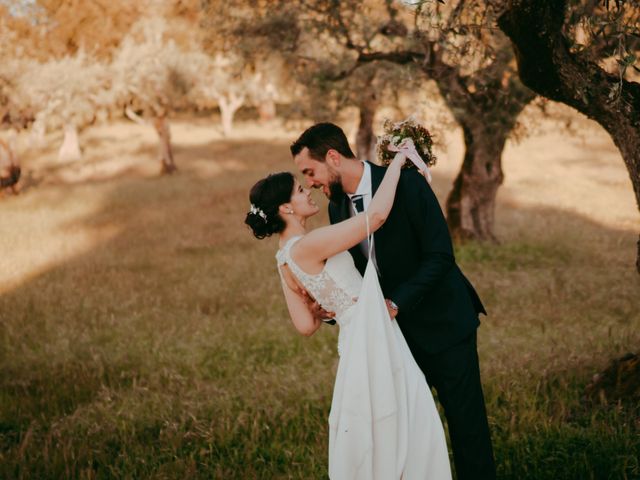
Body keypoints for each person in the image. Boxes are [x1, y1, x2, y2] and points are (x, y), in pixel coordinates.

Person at [290, 122, 496, 480]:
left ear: (334, 158)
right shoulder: (338, 207)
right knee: (406, 432)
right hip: (394, 339)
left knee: (468, 428)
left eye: (311, 171)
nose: (310, 183)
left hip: (445, 324)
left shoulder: (407, 183)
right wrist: (331, 312)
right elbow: (354, 278)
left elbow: (440, 256)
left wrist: (396, 303)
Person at [245, 145, 452, 479]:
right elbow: (378, 216)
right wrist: (398, 161)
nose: (308, 192)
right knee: (408, 420)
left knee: (378, 427)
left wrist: (323, 307)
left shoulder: (283, 259)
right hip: (374, 333)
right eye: (300, 191)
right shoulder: (311, 244)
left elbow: (305, 326)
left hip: (353, 339)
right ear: (286, 207)